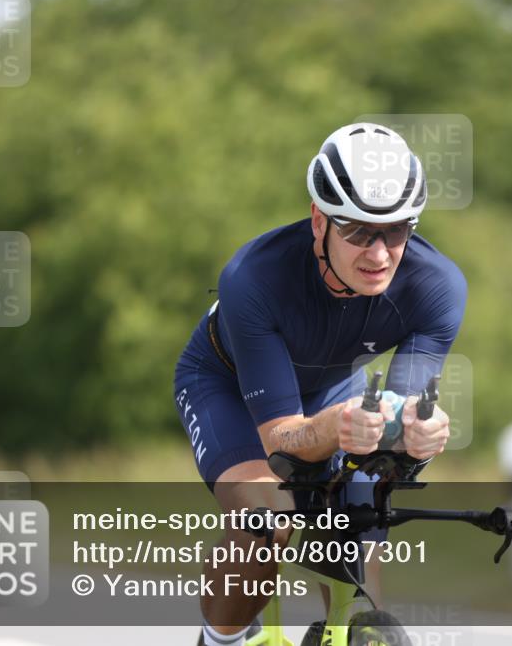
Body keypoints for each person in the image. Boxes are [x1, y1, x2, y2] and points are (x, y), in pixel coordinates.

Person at [173, 123, 467, 645]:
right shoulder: (253, 277)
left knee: (357, 528)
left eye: (397, 231)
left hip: (333, 393)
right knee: (268, 518)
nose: (378, 254)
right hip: (228, 385)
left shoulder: (437, 287)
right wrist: (335, 426)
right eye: (357, 231)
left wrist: (418, 437)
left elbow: (402, 419)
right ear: (318, 221)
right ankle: (221, 638)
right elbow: (281, 440)